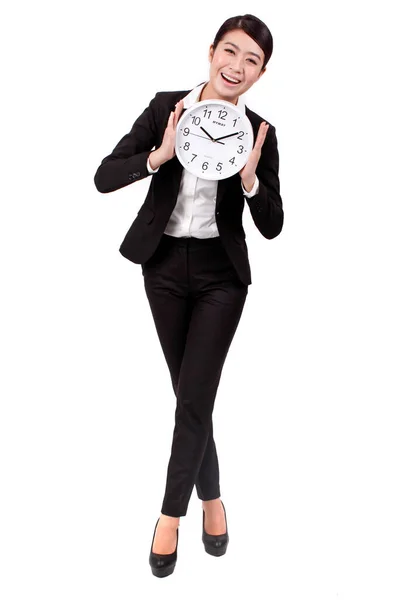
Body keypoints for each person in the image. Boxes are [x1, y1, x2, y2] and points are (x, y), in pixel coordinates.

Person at [94, 13, 284, 577]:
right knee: (190, 397)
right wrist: (162, 152)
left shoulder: (261, 131)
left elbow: (273, 224)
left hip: (221, 275)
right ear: (211, 51)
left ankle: (169, 517)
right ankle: (215, 498)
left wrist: (250, 178)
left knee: (194, 397)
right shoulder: (165, 107)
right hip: (162, 269)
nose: (238, 66)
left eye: (252, 60)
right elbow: (104, 176)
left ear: (261, 73)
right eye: (231, 51)